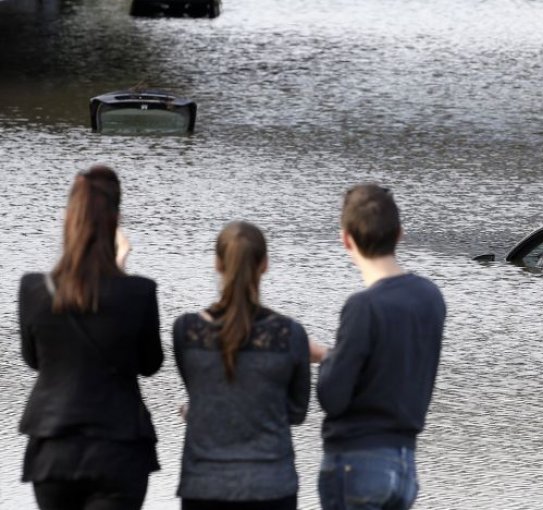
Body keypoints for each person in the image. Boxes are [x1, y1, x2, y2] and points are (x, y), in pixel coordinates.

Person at [18, 165, 163, 510]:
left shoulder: (34, 289)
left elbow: (34, 360)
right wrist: (121, 270)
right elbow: (150, 364)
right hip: (119, 449)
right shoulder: (139, 292)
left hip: (53, 449)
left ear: (69, 220)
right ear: (115, 222)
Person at [314, 184, 446, 510]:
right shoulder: (430, 297)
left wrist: (323, 359)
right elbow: (390, 368)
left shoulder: (363, 307)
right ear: (400, 234)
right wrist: (331, 355)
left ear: (346, 240)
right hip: (404, 464)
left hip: (356, 462)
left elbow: (332, 396)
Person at [173, 221, 311, 510]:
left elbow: (201, 393)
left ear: (217, 264)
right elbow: (296, 413)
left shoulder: (187, 331)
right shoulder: (290, 334)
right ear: (265, 265)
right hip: (271, 485)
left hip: (204, 484)